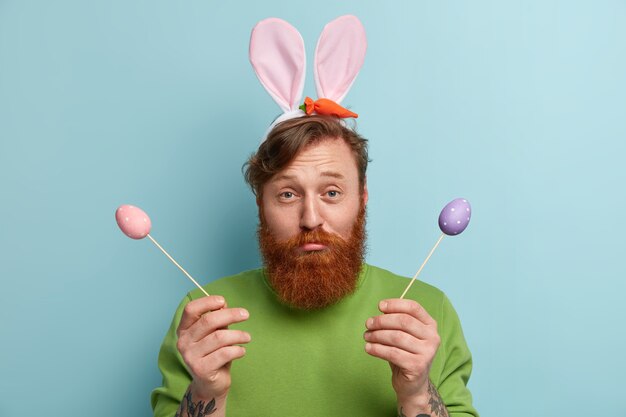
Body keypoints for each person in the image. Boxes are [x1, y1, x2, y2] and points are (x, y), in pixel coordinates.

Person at [150, 115, 479, 417]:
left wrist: (417, 393)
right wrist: (207, 391)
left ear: (362, 199)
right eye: (288, 195)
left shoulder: (426, 313)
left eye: (332, 192)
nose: (311, 219)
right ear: (261, 204)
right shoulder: (203, 317)